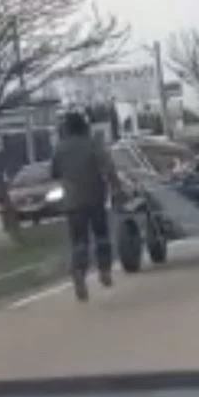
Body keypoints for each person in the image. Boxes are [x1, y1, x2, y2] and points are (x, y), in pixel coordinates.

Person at [51, 109, 121, 300]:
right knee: (101, 236)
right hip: (95, 196)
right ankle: (104, 270)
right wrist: (116, 187)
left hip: (72, 201)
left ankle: (79, 271)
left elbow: (54, 172)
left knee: (79, 241)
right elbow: (108, 168)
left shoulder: (60, 148)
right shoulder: (93, 143)